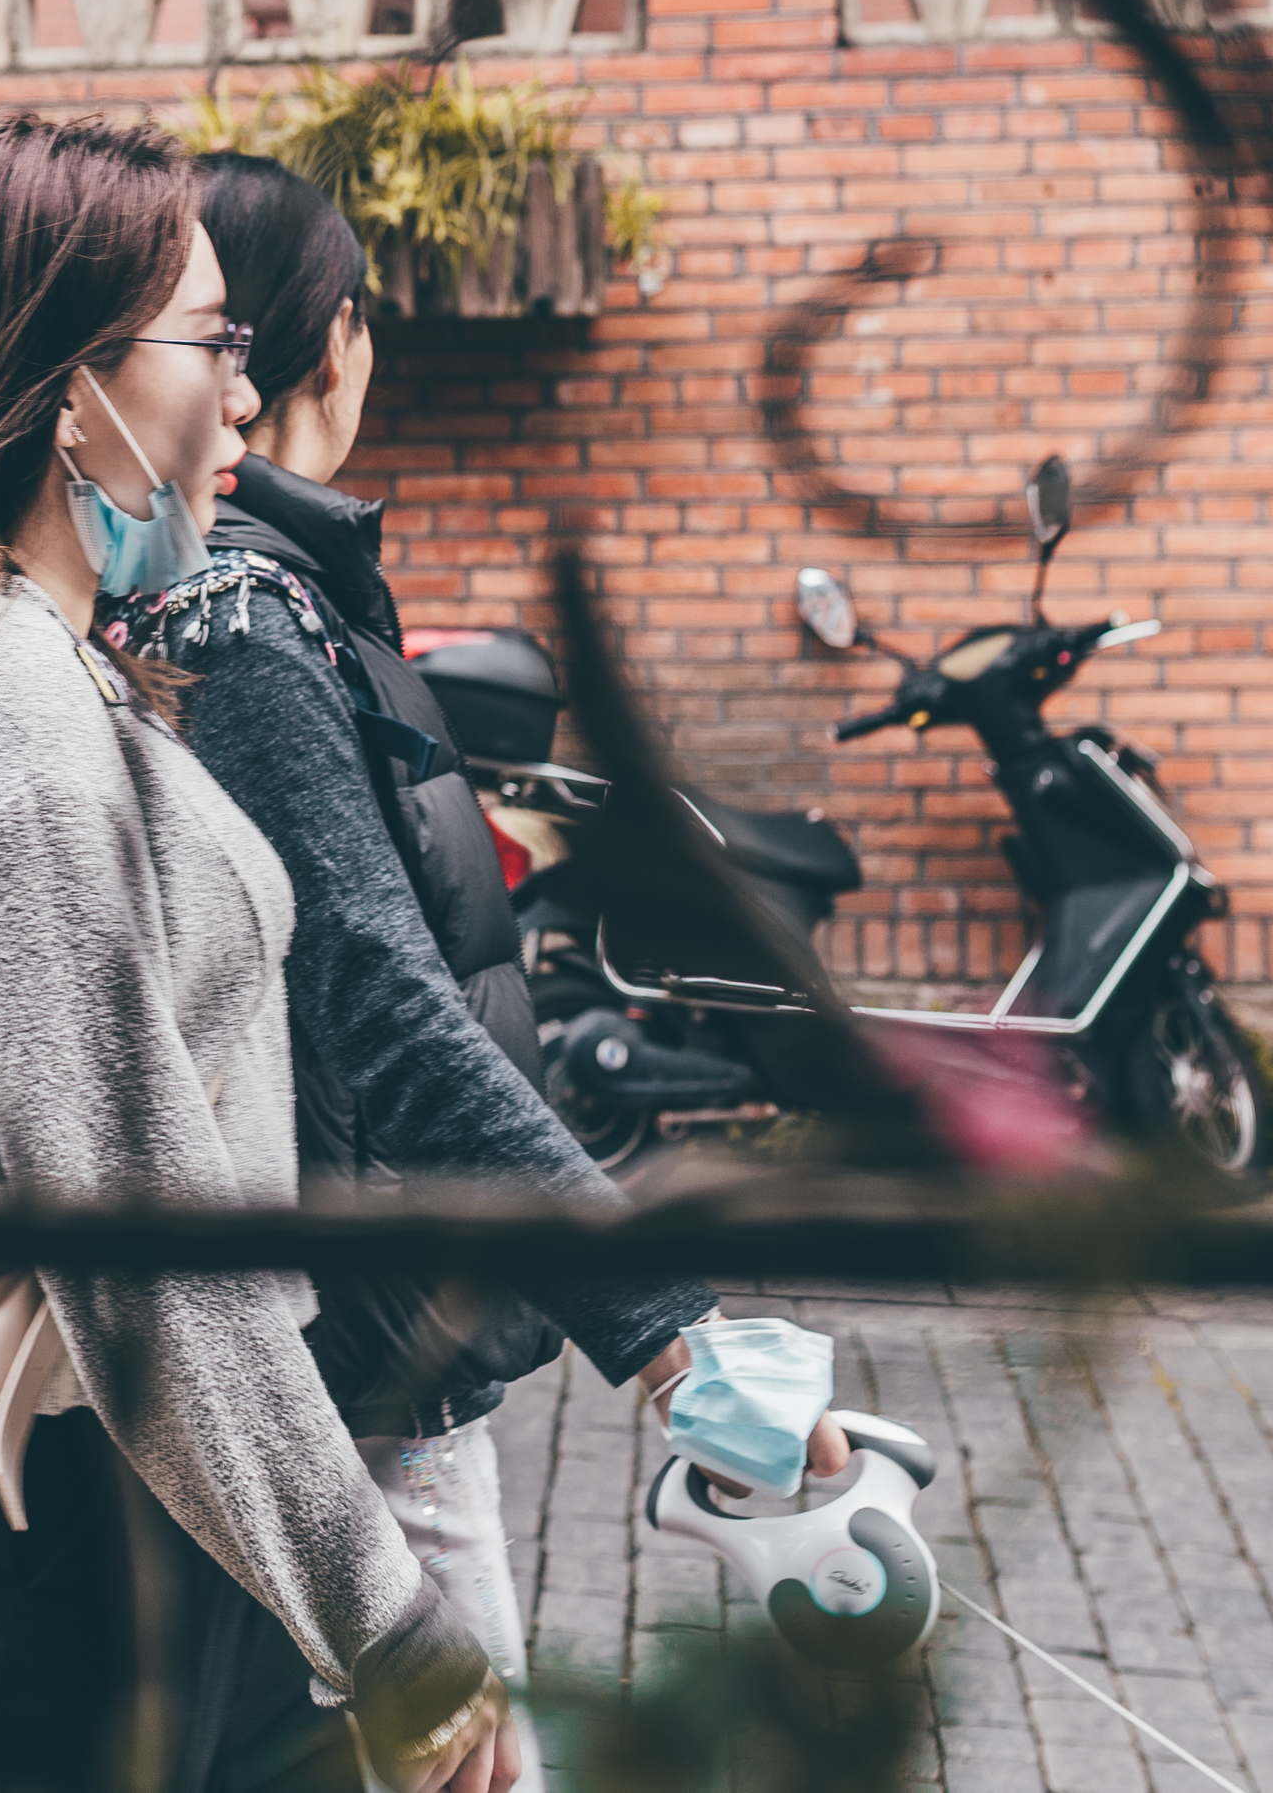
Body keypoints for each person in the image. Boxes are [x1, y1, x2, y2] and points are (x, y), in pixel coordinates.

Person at [0, 112, 520, 1793]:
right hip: (88, 1529)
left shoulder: (4, 658)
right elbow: (142, 1246)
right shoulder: (9, 708)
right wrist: (386, 1627)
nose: (244, 393)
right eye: (211, 339)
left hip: (112, 1504)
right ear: (68, 378)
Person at [112, 153, 849, 1793]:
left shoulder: (287, 605)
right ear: (340, 342)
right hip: (363, 1350)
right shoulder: (238, 627)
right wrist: (668, 1339)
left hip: (388, 1326)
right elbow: (384, 1005)